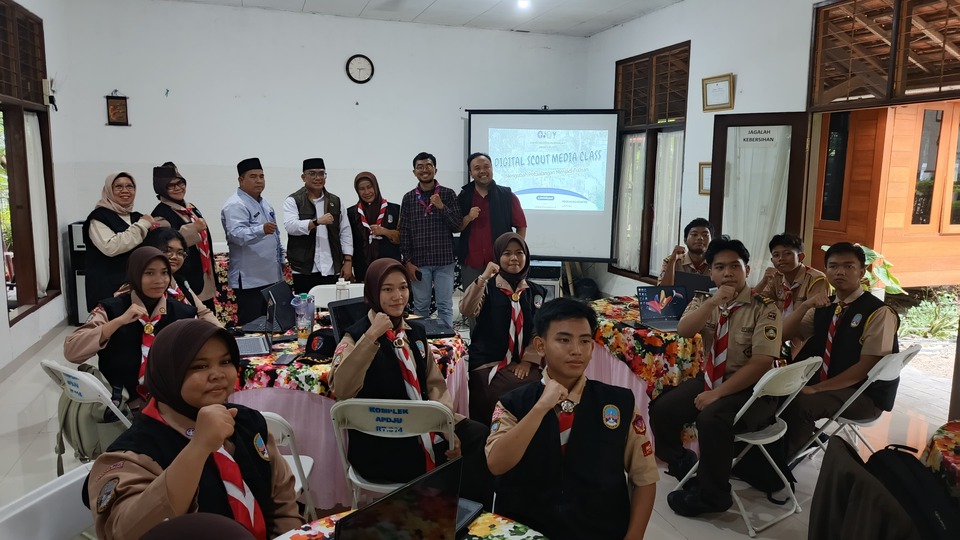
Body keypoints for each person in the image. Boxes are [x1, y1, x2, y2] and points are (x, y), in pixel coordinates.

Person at [86, 319, 304, 540]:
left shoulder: (249, 423)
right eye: (199, 366)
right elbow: (123, 531)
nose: (217, 374)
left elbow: (282, 504)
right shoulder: (133, 454)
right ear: (168, 372)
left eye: (226, 361)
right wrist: (198, 448)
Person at [485, 297, 658, 540]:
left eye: (584, 341)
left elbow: (644, 478)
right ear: (541, 345)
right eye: (564, 340)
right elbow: (497, 464)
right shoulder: (513, 403)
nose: (576, 350)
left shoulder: (619, 403)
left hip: (599, 530)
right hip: (526, 531)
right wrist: (541, 407)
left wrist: (634, 537)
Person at [329, 258, 492, 506]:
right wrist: (371, 336)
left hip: (420, 427)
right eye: (387, 289)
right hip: (380, 441)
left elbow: (434, 384)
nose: (398, 297)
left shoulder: (414, 333)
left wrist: (446, 428)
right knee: (456, 461)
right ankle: (439, 510)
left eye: (403, 287)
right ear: (372, 293)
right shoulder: (354, 338)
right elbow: (342, 389)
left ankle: (466, 513)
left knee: (478, 436)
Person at [649, 236, 781, 517]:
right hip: (712, 379)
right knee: (663, 408)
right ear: (711, 272)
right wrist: (711, 304)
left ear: (747, 269)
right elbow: (684, 330)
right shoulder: (704, 299)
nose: (728, 273)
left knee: (711, 418)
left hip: (753, 390)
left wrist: (717, 394)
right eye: (720, 267)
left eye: (735, 266)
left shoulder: (765, 307)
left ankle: (713, 496)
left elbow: (761, 362)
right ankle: (682, 462)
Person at [781, 242, 899, 458]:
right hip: (828, 385)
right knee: (773, 392)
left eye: (848, 266)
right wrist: (805, 306)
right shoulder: (825, 306)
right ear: (826, 270)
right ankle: (778, 449)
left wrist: (817, 389)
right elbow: (784, 335)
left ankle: (782, 461)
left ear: (862, 272)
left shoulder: (878, 312)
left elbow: (867, 367)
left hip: (864, 395)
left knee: (800, 404)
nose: (840, 272)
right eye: (833, 266)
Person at [64, 247, 197, 404]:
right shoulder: (110, 309)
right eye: (149, 273)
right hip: (120, 402)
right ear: (134, 274)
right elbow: (72, 352)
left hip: (167, 402)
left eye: (164, 272)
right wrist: (117, 322)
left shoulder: (184, 313)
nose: (159, 280)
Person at [459, 232, 545, 425]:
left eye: (519, 253)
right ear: (497, 257)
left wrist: (527, 361)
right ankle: (493, 435)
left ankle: (532, 434)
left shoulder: (535, 292)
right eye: (507, 253)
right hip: (489, 361)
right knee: (500, 392)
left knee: (540, 387)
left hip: (524, 361)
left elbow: (538, 331)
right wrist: (483, 278)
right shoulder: (487, 287)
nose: (514, 258)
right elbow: (467, 309)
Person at [83, 172, 162, 311]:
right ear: (109, 190)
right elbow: (111, 247)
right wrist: (143, 225)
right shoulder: (98, 217)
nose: (125, 190)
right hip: (108, 288)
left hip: (137, 287)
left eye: (130, 186)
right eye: (118, 187)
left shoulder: (137, 217)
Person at [399, 152, 462, 327]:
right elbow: (404, 232)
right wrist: (407, 262)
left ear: (435, 169)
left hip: (444, 261)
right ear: (414, 172)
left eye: (428, 166)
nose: (424, 170)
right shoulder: (409, 198)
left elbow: (457, 225)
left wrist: (442, 207)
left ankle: (445, 338)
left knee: (445, 306)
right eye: (420, 167)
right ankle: (422, 340)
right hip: (419, 262)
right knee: (420, 306)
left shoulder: (448, 194)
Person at [221, 157, 284, 325]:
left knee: (272, 326)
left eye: (261, 176)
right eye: (253, 176)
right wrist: (261, 229)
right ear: (241, 180)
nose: (259, 181)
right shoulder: (235, 204)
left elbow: (275, 235)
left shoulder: (265, 203)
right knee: (252, 327)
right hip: (250, 281)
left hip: (271, 277)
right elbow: (235, 235)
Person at [150, 163, 218, 309]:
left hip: (204, 276)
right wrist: (193, 229)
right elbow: (165, 244)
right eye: (171, 185)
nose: (178, 188)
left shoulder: (191, 208)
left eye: (180, 183)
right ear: (162, 188)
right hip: (183, 279)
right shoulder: (160, 215)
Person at [283, 158, 354, 293]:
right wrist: (316, 222)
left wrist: (348, 261)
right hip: (303, 269)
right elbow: (291, 227)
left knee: (331, 304)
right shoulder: (293, 200)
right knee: (305, 305)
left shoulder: (335, 201)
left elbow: (345, 232)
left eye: (321, 173)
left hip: (331, 267)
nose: (318, 178)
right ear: (303, 177)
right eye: (312, 174)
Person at [457, 152, 527, 288]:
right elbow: (456, 227)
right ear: (471, 173)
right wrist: (468, 218)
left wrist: (515, 252)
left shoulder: (507, 196)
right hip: (471, 262)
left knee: (501, 300)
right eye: (477, 168)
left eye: (486, 166)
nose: (482, 171)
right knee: (472, 300)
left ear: (492, 169)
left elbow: (521, 226)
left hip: (501, 262)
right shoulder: (463, 197)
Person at [140, 227, 221, 325]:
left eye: (179, 253)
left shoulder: (179, 283)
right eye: (168, 250)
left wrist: (222, 333)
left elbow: (203, 312)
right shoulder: (144, 284)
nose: (174, 257)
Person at [755, 232, 828, 317]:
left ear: (800, 257)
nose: (781, 258)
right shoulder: (776, 277)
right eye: (776, 255)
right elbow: (754, 304)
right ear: (772, 260)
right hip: (778, 324)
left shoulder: (816, 279)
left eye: (787, 253)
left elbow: (812, 317)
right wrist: (763, 282)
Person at [346, 171, 400, 281]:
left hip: (390, 269)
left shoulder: (395, 210)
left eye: (369, 187)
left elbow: (403, 238)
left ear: (376, 186)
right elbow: (347, 241)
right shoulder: (351, 213)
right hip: (362, 271)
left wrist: (385, 231)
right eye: (362, 189)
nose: (367, 192)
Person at [657, 217, 714, 286]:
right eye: (694, 234)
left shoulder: (716, 262)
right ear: (685, 240)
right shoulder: (672, 261)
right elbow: (663, 290)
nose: (700, 238)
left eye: (705, 235)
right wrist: (672, 261)